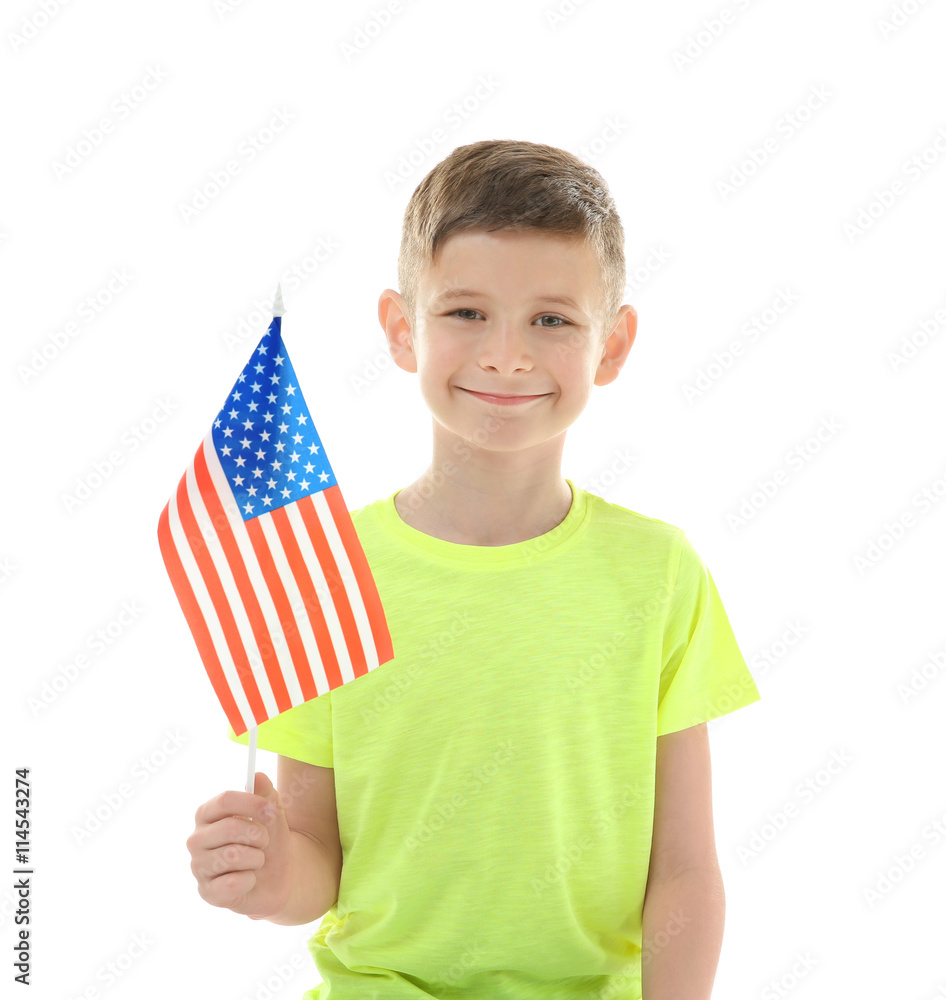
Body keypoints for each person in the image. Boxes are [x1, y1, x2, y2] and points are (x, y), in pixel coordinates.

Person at [185, 138, 762, 1000]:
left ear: (612, 345)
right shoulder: (323, 568)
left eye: (552, 319)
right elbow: (317, 863)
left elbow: (683, 870)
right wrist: (268, 875)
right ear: (399, 328)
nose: (505, 355)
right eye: (465, 313)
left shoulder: (660, 574)